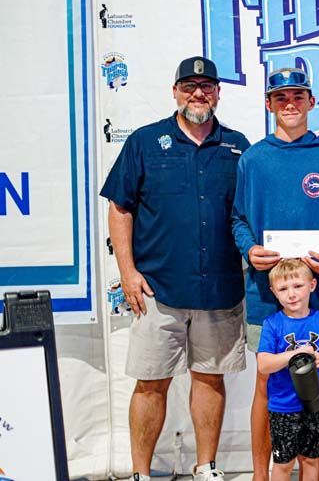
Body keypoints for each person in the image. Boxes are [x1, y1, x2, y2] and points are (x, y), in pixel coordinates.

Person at [100, 56, 250, 481]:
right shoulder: (145, 142)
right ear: (175, 91)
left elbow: (253, 213)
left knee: (210, 381)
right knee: (151, 384)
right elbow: (119, 208)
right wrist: (128, 273)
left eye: (206, 86)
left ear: (218, 93)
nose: (198, 94)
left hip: (220, 290)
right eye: (189, 86)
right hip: (158, 291)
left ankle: (206, 468)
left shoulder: (238, 147)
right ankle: (140, 474)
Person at [231, 67, 319, 481]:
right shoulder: (253, 158)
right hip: (268, 295)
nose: (290, 105)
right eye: (281, 97)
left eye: (298, 96)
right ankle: (262, 476)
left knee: (312, 390)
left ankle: (309, 471)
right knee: (267, 386)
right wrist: (249, 249)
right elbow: (238, 220)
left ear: (311, 102)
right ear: (269, 104)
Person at [256, 259, 319, 481]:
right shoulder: (272, 324)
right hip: (282, 406)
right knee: (283, 463)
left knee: (312, 460)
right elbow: (263, 363)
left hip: (314, 403)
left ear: (312, 285)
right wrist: (293, 355)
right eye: (283, 289)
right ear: (274, 292)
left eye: (298, 286)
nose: (291, 294)